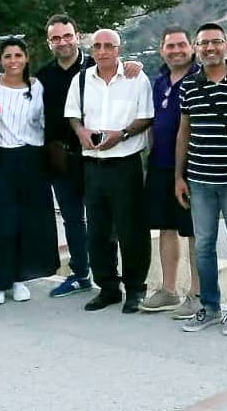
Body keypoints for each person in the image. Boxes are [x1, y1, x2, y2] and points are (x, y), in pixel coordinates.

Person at [35, 14, 143, 299]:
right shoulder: (44, 76)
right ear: (49, 43)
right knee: (74, 220)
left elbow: (122, 74)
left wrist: (136, 64)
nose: (62, 42)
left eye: (67, 36)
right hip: (63, 157)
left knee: (111, 224)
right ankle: (81, 274)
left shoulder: (94, 65)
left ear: (78, 36)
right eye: (56, 38)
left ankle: (123, 284)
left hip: (101, 160)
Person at [175, 22, 227, 336]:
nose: (209, 48)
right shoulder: (189, 85)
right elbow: (184, 132)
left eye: (215, 42)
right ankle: (209, 307)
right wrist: (178, 177)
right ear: (197, 48)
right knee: (204, 247)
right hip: (198, 180)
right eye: (203, 43)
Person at [66, 28, 153, 314]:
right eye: (97, 46)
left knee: (131, 230)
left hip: (125, 163)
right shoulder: (81, 79)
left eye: (109, 46)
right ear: (91, 50)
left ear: (118, 48)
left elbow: (145, 116)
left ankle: (136, 289)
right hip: (92, 165)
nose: (102, 51)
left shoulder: (135, 77)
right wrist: (80, 132)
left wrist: (123, 134)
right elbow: (74, 116)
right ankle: (108, 287)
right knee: (98, 230)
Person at [0, 37, 59, 304]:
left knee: (26, 222)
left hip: (30, 160)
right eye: (8, 56)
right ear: (0, 59)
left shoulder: (37, 87)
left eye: (18, 56)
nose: (13, 61)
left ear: (26, 58)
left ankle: (19, 278)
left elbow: (44, 124)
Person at [139, 27, 201, 315]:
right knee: (166, 228)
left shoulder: (200, 79)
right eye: (170, 46)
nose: (176, 50)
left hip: (193, 168)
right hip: (160, 164)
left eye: (181, 45)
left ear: (191, 47)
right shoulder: (158, 82)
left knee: (194, 232)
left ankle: (197, 293)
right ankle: (168, 290)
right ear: (161, 50)